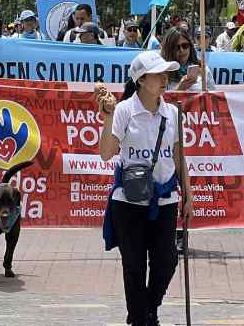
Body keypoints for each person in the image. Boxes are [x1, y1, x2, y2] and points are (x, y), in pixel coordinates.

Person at [96, 50, 192, 326]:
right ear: (140, 79)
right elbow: (107, 153)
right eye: (157, 74)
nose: (164, 79)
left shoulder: (172, 113)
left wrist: (188, 195)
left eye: (165, 74)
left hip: (165, 199)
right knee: (134, 265)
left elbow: (179, 156)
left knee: (166, 262)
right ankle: (142, 319)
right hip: (129, 201)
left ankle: (148, 308)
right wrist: (107, 117)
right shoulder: (124, 110)